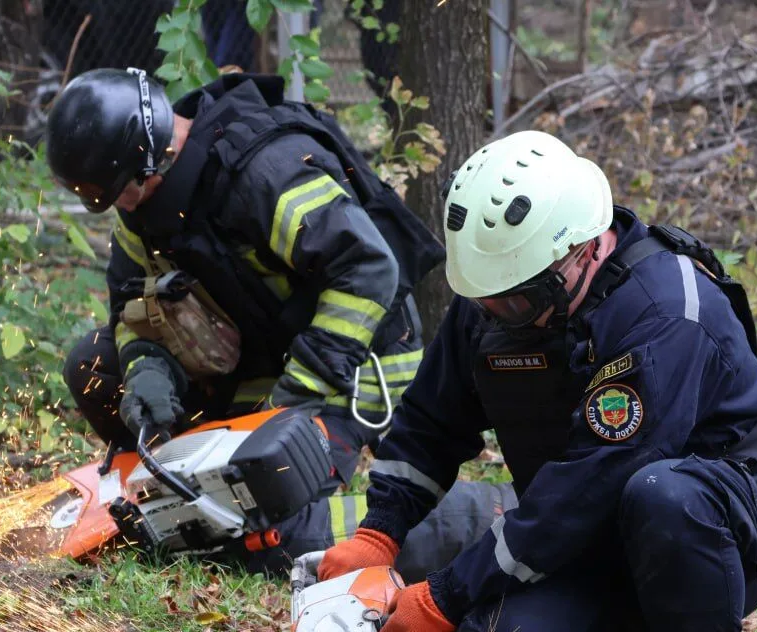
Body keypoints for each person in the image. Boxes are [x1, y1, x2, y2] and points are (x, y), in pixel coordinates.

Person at [317, 130, 757, 632]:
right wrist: (380, 532)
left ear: (579, 253)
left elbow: (598, 481)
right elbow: (431, 424)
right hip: (586, 534)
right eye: (488, 298)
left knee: (663, 492)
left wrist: (448, 591)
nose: (499, 313)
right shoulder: (496, 301)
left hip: (716, 532)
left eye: (516, 299)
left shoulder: (662, 309)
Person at [44, 68, 513, 574]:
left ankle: (483, 516)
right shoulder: (142, 196)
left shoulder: (264, 171)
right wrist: (146, 374)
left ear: (149, 156)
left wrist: (287, 405)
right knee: (95, 367)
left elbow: (370, 271)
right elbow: (131, 304)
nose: (120, 206)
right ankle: (167, 493)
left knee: (259, 526)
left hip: (349, 369)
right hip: (260, 360)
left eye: (121, 191)